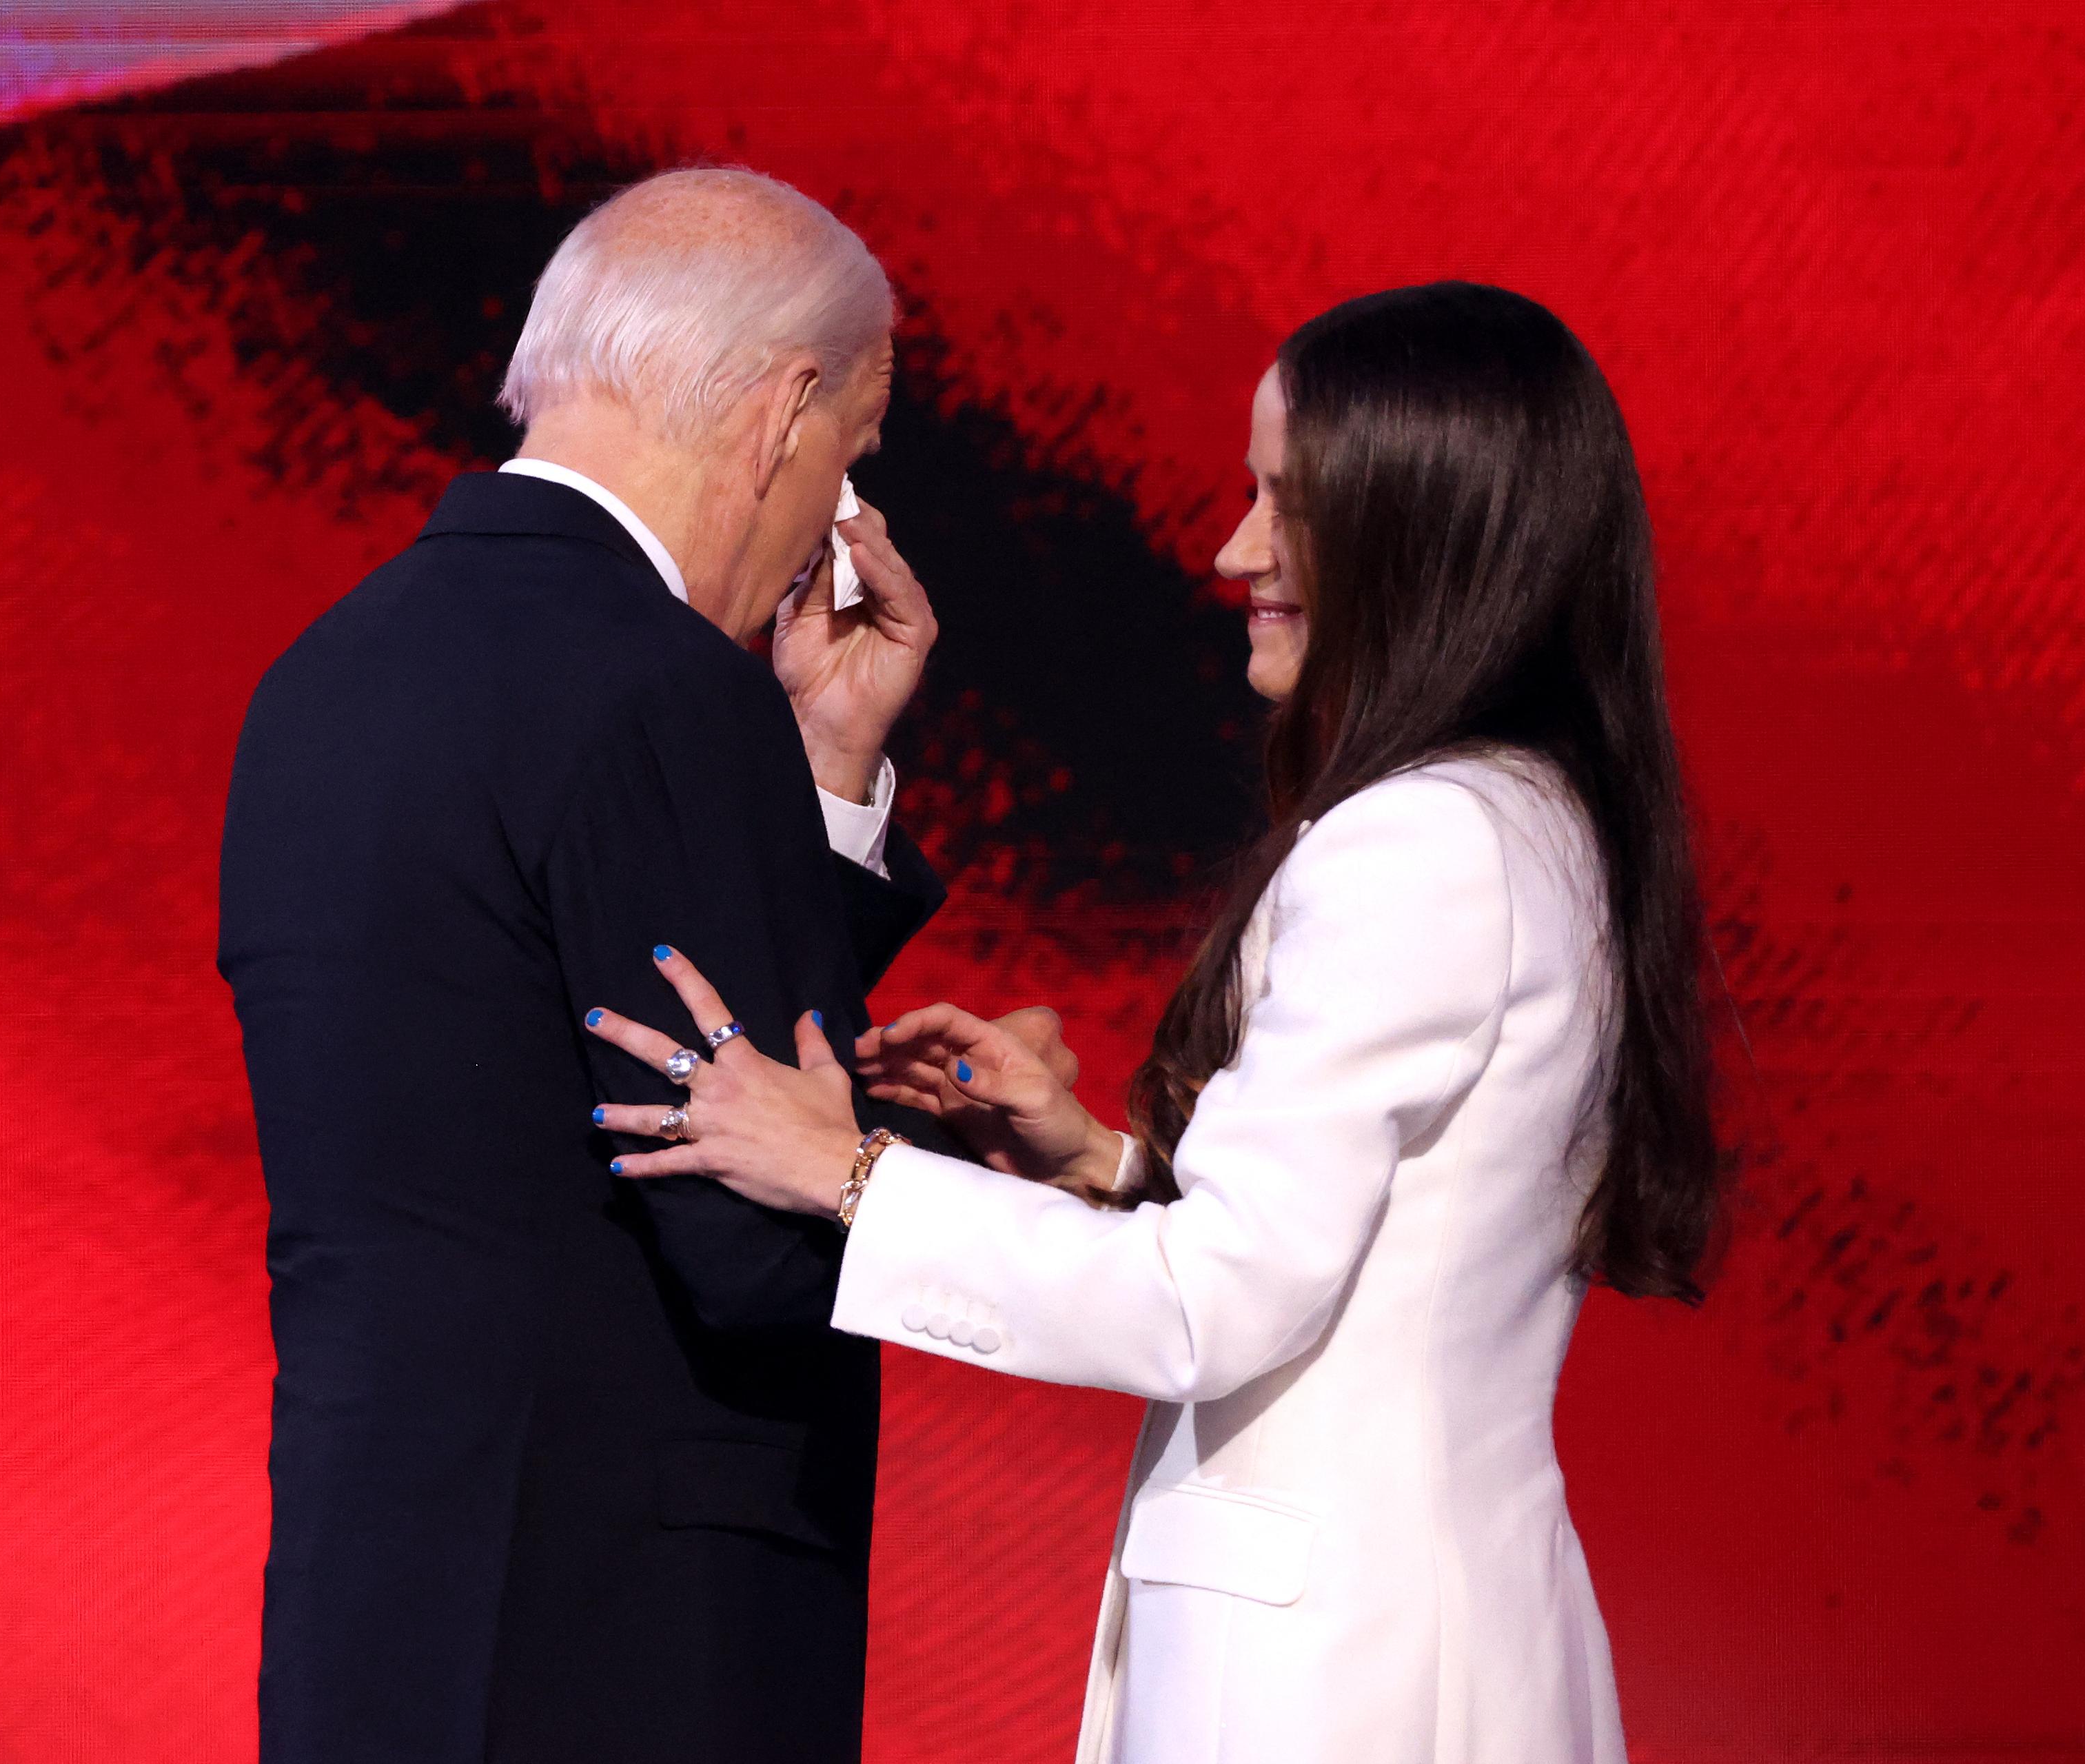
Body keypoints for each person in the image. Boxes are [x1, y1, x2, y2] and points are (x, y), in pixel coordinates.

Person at [578, 283, 1725, 1763]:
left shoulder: (1413, 842)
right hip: (1421, 1640)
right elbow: (1392, 1258)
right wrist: (1106, 1168)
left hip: (1337, 1685)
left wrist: (846, 1173)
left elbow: (1211, 1304)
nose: (1231, 549)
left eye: (1288, 505)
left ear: (1424, 528)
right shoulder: (1540, 821)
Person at [217, 168, 953, 1763]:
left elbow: (525, 1091)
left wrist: (820, 781)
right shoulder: (662, 691)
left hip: (375, 1614)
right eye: (855, 449)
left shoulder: (322, 672)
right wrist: (1008, 1169)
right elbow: (760, 1234)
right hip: (626, 1642)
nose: (846, 505)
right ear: (785, 412)